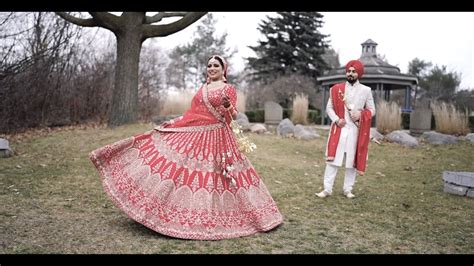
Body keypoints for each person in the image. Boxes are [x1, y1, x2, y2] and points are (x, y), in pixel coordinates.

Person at [90, 55, 283, 240]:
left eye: (216, 65)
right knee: (180, 170)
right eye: (209, 66)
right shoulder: (202, 89)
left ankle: (244, 215)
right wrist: (176, 123)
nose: (212, 68)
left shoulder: (229, 89)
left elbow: (232, 116)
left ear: (224, 69)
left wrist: (227, 107)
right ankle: (161, 211)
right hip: (197, 133)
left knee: (223, 176)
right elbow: (192, 113)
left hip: (219, 136)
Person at [316, 59, 375, 199]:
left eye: (353, 71)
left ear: (359, 73)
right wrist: (337, 119)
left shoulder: (366, 91)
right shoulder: (336, 89)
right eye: (349, 71)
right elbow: (328, 108)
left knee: (351, 162)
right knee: (332, 161)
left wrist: (361, 114)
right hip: (339, 129)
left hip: (356, 131)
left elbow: (372, 110)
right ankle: (327, 189)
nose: (350, 73)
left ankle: (348, 189)